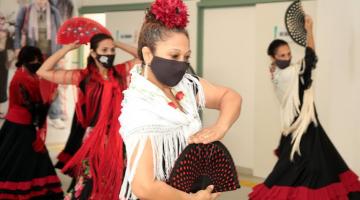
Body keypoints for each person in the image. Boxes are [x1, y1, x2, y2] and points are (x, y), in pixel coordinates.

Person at [119, 0, 242, 199]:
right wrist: (190, 199)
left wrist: (221, 127)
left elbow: (230, 97)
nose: (181, 65)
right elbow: (143, 186)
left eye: (186, 57)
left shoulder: (186, 85)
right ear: (148, 54)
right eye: (174, 55)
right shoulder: (139, 108)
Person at [249, 15, 360, 199]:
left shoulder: (276, 71)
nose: (287, 57)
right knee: (307, 165)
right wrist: (309, 31)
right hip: (301, 126)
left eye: (288, 54)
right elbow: (310, 58)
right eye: (282, 55)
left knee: (317, 163)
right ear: (273, 57)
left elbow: (301, 67)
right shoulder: (287, 74)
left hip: (303, 124)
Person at [37, 33, 139, 200]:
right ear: (93, 53)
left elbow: (144, 58)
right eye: (104, 50)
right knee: (89, 181)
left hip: (120, 139)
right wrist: (67, 49)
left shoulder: (120, 72)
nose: (110, 53)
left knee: (119, 181)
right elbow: (43, 71)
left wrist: (118, 43)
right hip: (93, 140)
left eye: (112, 50)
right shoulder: (83, 76)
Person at [0, 46, 63, 199]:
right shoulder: (21, 78)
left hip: (20, 125)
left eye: (38, 59)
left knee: (25, 160)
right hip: (19, 127)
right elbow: (32, 106)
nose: (36, 62)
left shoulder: (28, 76)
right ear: (24, 61)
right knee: (23, 161)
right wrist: (50, 101)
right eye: (32, 60)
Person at [15, 0, 66, 129]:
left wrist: (61, 54)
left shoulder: (54, 11)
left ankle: (54, 115)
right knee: (32, 84)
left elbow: (61, 33)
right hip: (33, 56)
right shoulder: (25, 10)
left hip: (51, 54)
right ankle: (34, 116)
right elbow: (17, 28)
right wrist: (16, 47)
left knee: (53, 85)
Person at [0, 12, 15, 118]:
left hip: (3, 58)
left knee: (2, 82)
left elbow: (10, 47)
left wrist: (10, 60)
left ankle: (0, 109)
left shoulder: (8, 30)